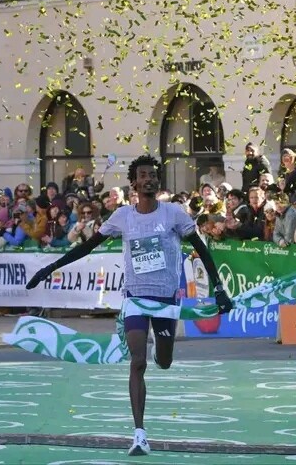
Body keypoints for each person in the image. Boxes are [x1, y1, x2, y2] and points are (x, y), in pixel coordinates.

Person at [25, 154, 234, 456]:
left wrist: (219, 288)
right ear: (134, 183)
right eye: (143, 175)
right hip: (135, 298)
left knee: (164, 361)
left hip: (166, 300)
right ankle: (139, 434)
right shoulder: (122, 216)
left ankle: (159, 348)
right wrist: (50, 268)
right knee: (137, 361)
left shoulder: (174, 214)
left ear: (157, 181)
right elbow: (87, 247)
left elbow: (201, 249)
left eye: (153, 175)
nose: (149, 179)